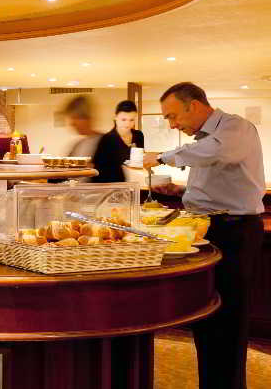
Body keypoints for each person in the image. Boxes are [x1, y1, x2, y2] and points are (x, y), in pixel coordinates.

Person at [143, 82, 264, 389]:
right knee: (208, 315)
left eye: (173, 116)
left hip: (234, 231)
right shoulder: (204, 140)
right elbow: (215, 177)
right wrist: (180, 190)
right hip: (209, 229)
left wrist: (162, 157)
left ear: (194, 105)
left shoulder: (235, 127)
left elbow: (218, 152)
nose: (173, 125)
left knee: (229, 319)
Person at [91, 100, 144, 182]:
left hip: (136, 182)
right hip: (114, 184)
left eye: (131, 120)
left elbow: (140, 161)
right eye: (123, 120)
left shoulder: (138, 135)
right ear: (115, 118)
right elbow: (98, 170)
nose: (127, 124)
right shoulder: (107, 139)